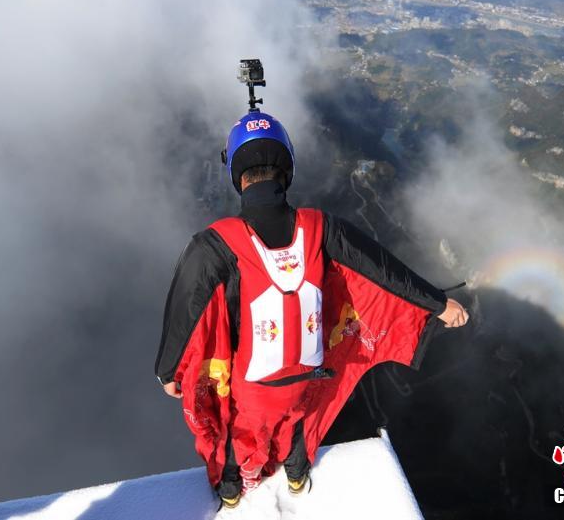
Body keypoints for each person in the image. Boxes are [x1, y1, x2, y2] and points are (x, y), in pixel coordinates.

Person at [155, 108, 468, 509]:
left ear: (236, 173)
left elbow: (186, 307)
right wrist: (439, 304)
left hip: (254, 387)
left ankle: (232, 489)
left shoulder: (214, 244)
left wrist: (168, 371)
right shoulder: (322, 227)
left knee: (240, 433)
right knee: (302, 414)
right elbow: (385, 271)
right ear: (286, 168)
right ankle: (298, 473)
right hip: (310, 374)